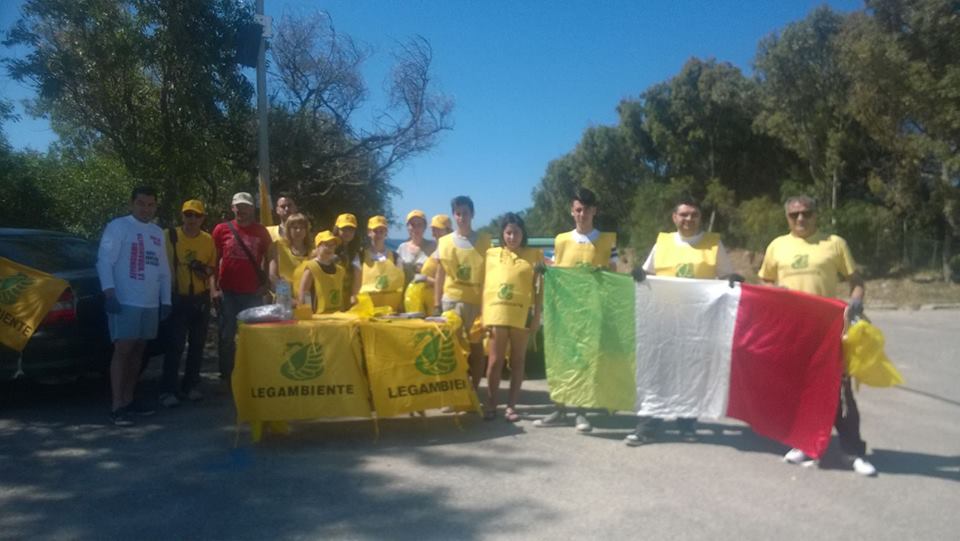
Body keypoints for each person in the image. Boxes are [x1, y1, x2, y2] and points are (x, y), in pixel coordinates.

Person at [759, 195, 877, 477]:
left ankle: (853, 452)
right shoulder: (777, 245)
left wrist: (856, 301)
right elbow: (765, 279)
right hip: (793, 331)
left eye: (807, 213)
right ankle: (805, 443)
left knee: (840, 392)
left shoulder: (834, 244)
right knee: (798, 390)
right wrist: (775, 293)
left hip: (829, 330)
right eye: (794, 215)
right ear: (787, 217)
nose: (801, 219)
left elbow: (856, 281)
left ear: (816, 215)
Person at [625, 198, 735, 445]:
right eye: (683, 215)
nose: (688, 219)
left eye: (694, 215)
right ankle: (648, 425)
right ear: (674, 217)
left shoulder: (713, 244)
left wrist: (734, 280)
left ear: (700, 217)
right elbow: (648, 273)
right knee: (656, 373)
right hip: (664, 321)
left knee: (692, 372)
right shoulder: (663, 242)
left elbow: (727, 276)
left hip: (699, 324)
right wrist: (640, 275)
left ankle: (687, 423)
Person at [534, 187, 617, 433]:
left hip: (592, 311)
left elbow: (613, 274)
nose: (582, 214)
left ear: (594, 211)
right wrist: (543, 269)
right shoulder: (561, 240)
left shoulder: (606, 240)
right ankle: (558, 409)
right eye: (578, 210)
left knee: (585, 362)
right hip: (563, 310)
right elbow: (555, 268)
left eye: (587, 210)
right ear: (572, 211)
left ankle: (580, 412)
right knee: (559, 359)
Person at [96, 186, 172, 426]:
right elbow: (104, 261)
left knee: (140, 350)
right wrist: (109, 293)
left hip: (149, 302)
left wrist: (166, 300)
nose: (146, 209)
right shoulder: (118, 227)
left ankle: (129, 400)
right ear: (132, 204)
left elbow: (163, 270)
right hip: (125, 300)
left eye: (151, 205)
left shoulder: (158, 233)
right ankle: (117, 406)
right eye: (141, 203)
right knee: (123, 350)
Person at [482, 213, 543, 422]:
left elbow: (540, 288)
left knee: (518, 361)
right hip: (497, 314)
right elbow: (485, 286)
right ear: (502, 234)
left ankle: (511, 406)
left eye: (516, 232)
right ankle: (490, 403)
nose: (512, 237)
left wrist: (537, 316)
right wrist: (484, 317)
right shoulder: (490, 254)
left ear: (523, 234)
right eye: (508, 232)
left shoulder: (534, 255)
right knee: (494, 361)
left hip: (522, 314)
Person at [159, 199, 216, 408]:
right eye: (188, 215)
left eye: (196, 215)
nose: (192, 219)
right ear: (182, 216)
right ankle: (168, 389)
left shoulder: (208, 240)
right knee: (174, 345)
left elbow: (212, 268)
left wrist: (203, 270)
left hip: (200, 297)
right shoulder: (169, 235)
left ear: (202, 218)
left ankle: (191, 384)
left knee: (197, 345)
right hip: (177, 297)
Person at [211, 192, 272, 380]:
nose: (242, 210)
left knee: (252, 337)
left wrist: (267, 285)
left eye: (246, 207)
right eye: (238, 206)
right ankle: (227, 376)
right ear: (232, 208)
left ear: (252, 209)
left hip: (252, 293)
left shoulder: (261, 231)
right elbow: (213, 260)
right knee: (226, 336)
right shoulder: (221, 229)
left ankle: (251, 373)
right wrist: (213, 288)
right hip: (228, 292)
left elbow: (271, 260)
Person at [434, 196, 492, 391]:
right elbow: (440, 274)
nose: (461, 217)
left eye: (465, 213)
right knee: (450, 348)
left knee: (476, 349)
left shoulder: (485, 241)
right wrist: (436, 305)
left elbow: (491, 273)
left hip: (476, 302)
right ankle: (452, 391)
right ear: (453, 215)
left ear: (472, 214)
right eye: (458, 214)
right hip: (451, 301)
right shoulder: (444, 242)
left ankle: (474, 389)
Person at [357, 215, 405, 312]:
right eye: (375, 231)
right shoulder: (360, 256)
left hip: (392, 309)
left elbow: (401, 284)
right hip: (368, 310)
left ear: (386, 233)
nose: (378, 234)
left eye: (381, 231)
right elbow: (356, 284)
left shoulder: (396, 257)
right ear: (369, 232)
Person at [299, 230, 345, 314]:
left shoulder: (340, 270)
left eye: (332, 245)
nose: (329, 248)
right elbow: (304, 294)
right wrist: (308, 313)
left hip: (337, 317)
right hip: (318, 318)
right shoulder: (311, 267)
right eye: (326, 245)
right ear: (317, 247)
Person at [269, 212, 311, 301]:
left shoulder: (313, 250)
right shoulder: (278, 246)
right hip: (284, 297)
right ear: (288, 229)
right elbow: (272, 275)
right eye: (295, 228)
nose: (298, 231)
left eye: (302, 228)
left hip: (307, 298)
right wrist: (287, 297)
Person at [397, 210, 436, 286]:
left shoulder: (433, 247)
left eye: (419, 224)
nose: (416, 228)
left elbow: (441, 278)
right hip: (406, 295)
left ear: (425, 227)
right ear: (408, 227)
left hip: (427, 294)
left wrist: (425, 278)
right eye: (412, 224)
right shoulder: (402, 248)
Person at [332, 213, 362, 307]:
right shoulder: (329, 246)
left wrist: (354, 295)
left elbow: (357, 274)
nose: (348, 233)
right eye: (344, 229)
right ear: (337, 230)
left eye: (351, 230)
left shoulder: (355, 251)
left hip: (347, 295)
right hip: (330, 292)